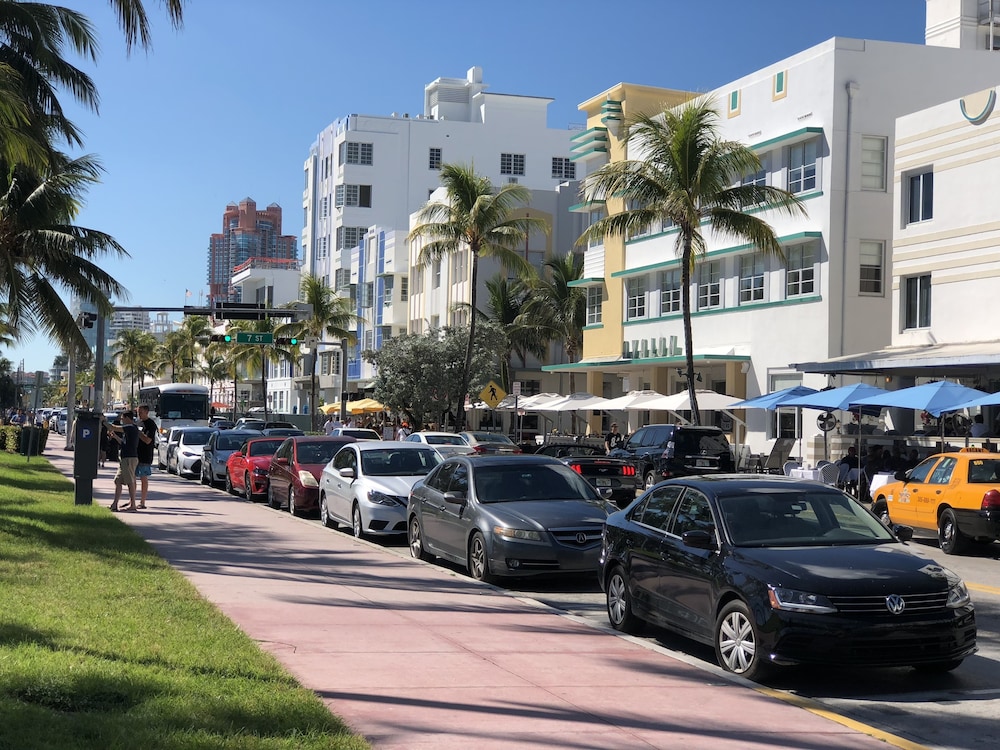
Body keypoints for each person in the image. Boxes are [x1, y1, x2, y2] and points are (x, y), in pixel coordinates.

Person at [107, 411, 140, 512]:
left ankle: (133, 505)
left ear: (128, 418)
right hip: (125, 459)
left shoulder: (131, 427)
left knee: (130, 482)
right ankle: (114, 504)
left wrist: (103, 421)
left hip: (129, 459)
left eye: (123, 418)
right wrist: (115, 437)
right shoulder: (130, 430)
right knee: (118, 481)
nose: (122, 420)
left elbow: (114, 427)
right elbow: (123, 442)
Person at [135, 405, 158, 509]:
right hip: (135, 454)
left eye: (141, 412)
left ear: (146, 412)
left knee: (143, 478)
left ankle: (142, 502)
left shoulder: (151, 424)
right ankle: (132, 500)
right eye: (138, 412)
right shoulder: (137, 423)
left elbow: (148, 440)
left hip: (145, 455)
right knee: (132, 479)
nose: (139, 414)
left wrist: (138, 433)